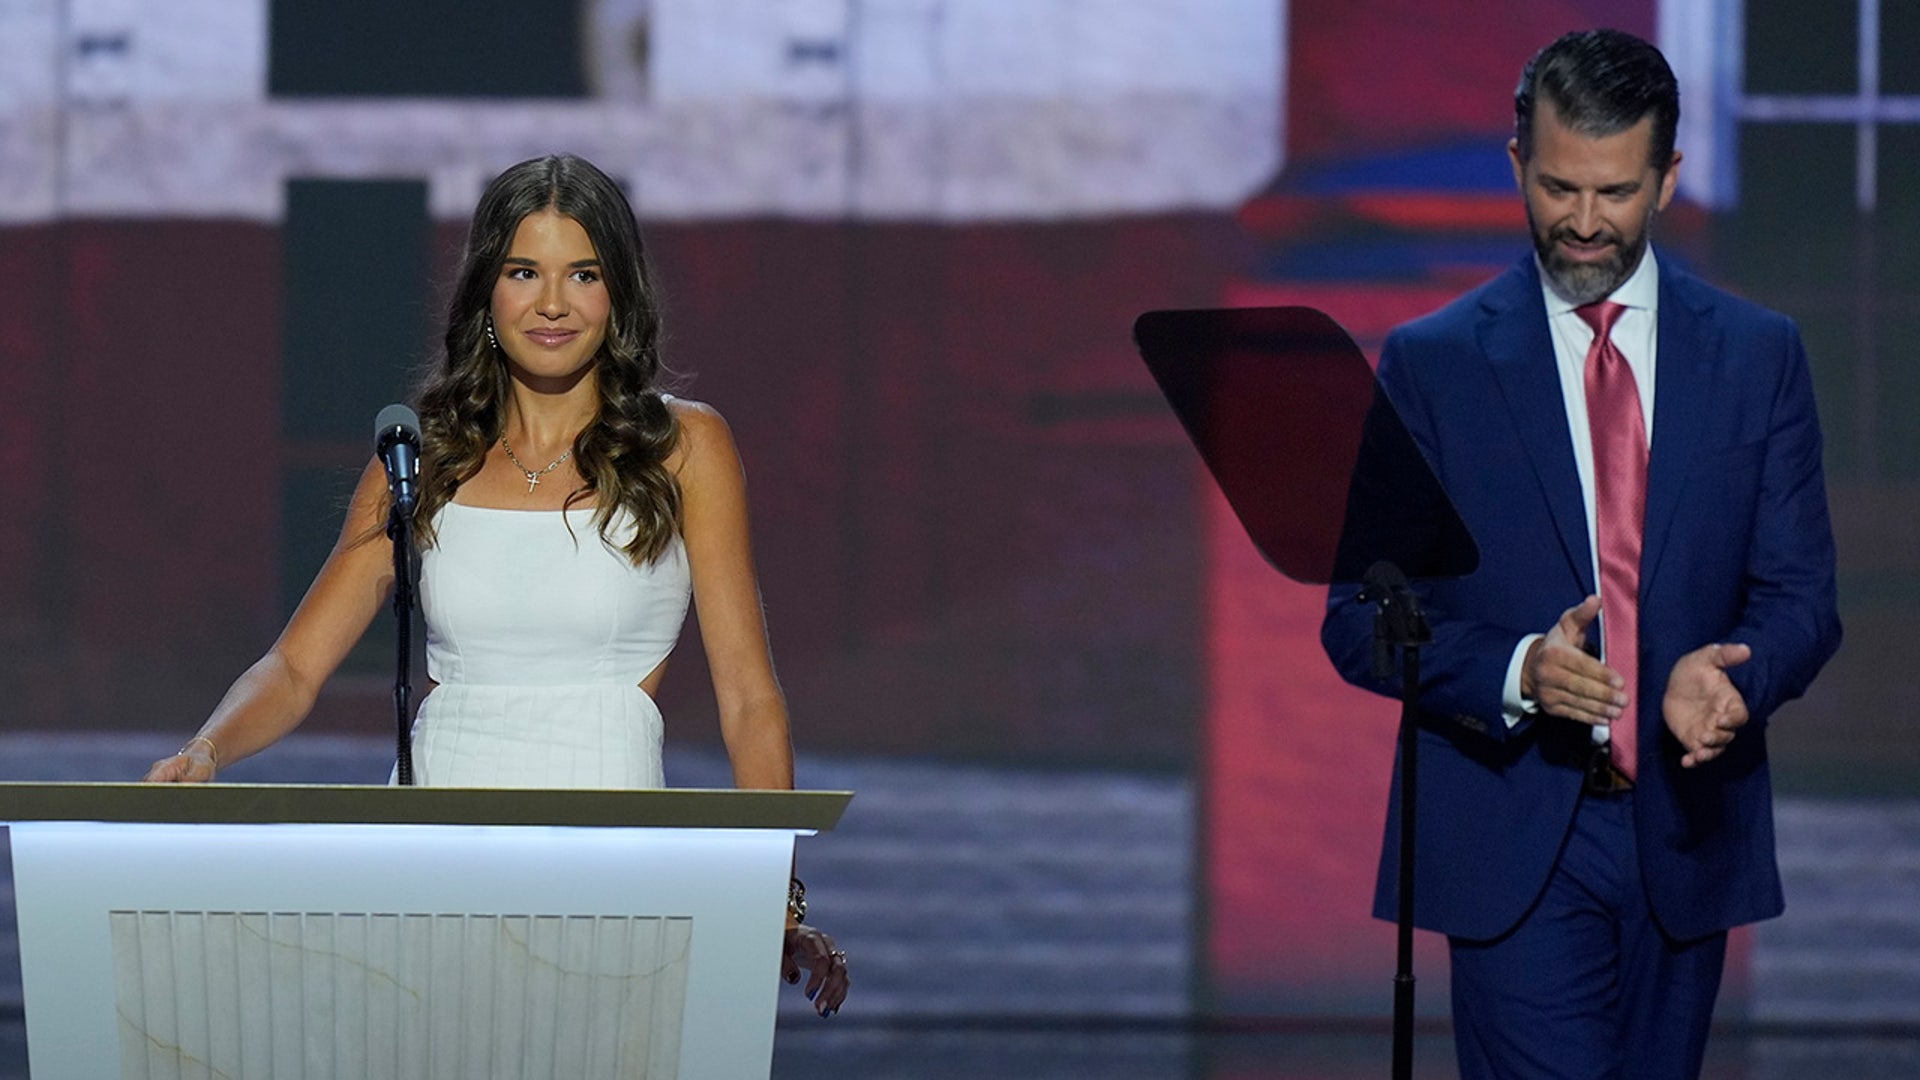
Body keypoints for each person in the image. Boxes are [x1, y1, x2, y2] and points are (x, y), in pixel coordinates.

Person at [145, 153, 849, 1016]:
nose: (552, 303)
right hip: (428, 857)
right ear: (487, 292)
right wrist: (208, 749)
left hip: (611, 854)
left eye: (582, 274)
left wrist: (775, 899)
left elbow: (748, 698)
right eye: (525, 272)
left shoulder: (685, 448)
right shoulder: (423, 456)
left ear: (618, 295)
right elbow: (294, 667)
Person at [1321, 29, 1841, 1079]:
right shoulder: (1434, 365)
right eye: (1559, 187)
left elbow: (1801, 599)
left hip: (1683, 837)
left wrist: (1736, 676)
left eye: (1615, 191)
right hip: (1516, 834)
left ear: (1668, 179)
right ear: (1518, 165)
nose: (1585, 222)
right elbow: (1358, 619)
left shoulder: (1757, 356)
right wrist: (1518, 671)